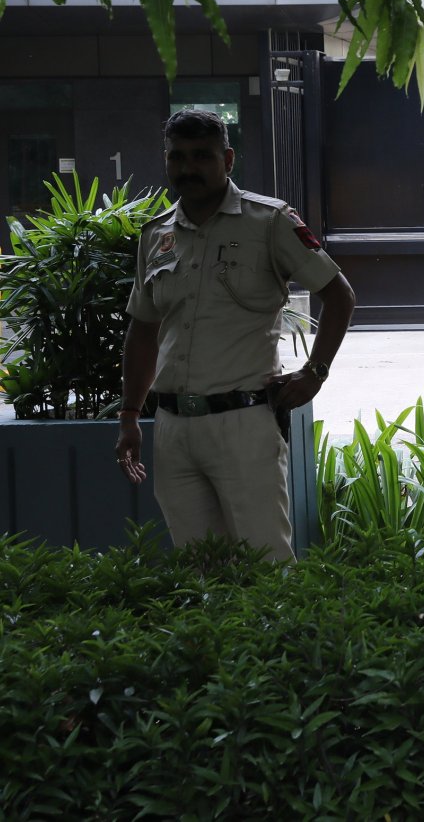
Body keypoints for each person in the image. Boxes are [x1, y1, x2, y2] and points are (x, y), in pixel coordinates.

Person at [115, 109, 357, 560]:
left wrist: (315, 373)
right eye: (177, 157)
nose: (188, 168)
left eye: (201, 156)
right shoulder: (156, 235)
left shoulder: (269, 221)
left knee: (266, 566)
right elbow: (143, 330)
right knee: (200, 570)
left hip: (243, 424)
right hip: (171, 430)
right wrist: (130, 414)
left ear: (227, 159)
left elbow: (339, 296)